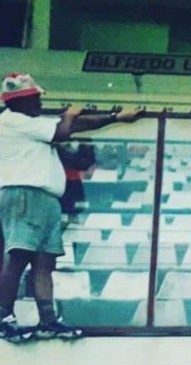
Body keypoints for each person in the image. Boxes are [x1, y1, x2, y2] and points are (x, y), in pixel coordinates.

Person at [0, 72, 142, 343]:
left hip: (44, 198)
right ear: (19, 101)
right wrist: (70, 114)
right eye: (34, 98)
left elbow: (75, 126)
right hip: (24, 193)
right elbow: (65, 129)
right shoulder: (12, 121)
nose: (39, 102)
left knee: (45, 261)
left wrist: (114, 118)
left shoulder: (29, 123)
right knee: (18, 256)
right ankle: (3, 316)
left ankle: (48, 320)